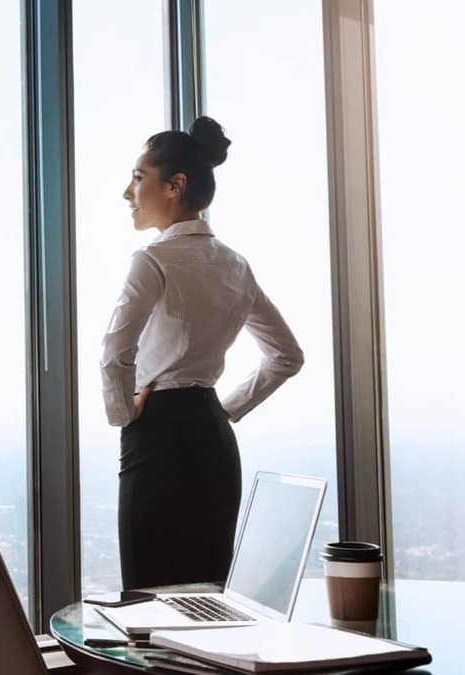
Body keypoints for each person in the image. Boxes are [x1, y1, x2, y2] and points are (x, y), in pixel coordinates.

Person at [101, 116, 304, 590]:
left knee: (148, 596)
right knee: (206, 596)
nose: (127, 193)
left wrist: (123, 414)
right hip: (213, 441)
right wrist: (224, 410)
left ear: (175, 185)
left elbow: (115, 351)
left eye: (137, 177)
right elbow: (287, 357)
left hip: (157, 435)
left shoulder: (153, 259)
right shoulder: (235, 264)